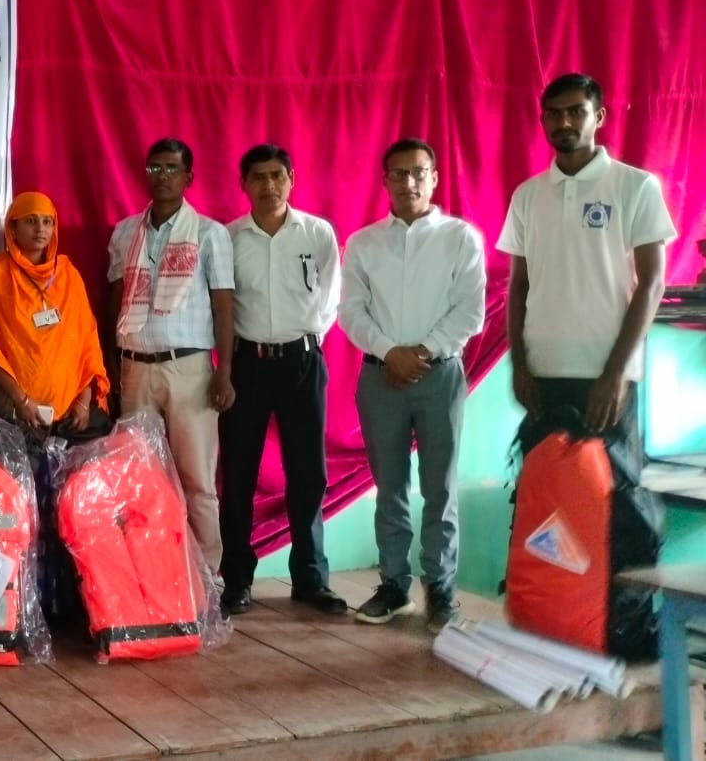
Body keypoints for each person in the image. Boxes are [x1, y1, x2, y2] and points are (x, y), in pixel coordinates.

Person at [340, 138, 486, 633]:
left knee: (439, 485)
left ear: (435, 177)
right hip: (380, 375)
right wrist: (390, 352)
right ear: (385, 181)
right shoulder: (364, 243)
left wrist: (420, 353)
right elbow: (350, 312)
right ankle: (394, 585)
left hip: (439, 374)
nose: (409, 182)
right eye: (398, 174)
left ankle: (440, 588)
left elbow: (469, 311)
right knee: (390, 485)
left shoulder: (460, 238)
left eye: (418, 172)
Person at [499, 73, 677, 444]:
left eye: (576, 111)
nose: (564, 121)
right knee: (545, 479)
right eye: (553, 113)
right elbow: (519, 286)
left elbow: (652, 283)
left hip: (606, 372)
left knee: (609, 480)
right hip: (542, 371)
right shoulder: (527, 195)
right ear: (543, 120)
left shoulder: (636, 186)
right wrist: (519, 366)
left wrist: (615, 373)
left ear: (599, 117)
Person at [220, 143, 344, 615]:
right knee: (238, 473)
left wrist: (304, 342)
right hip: (246, 365)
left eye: (277, 175)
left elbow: (330, 298)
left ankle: (311, 578)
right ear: (243, 184)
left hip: (302, 364)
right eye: (258, 176)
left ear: (292, 179)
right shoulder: (229, 238)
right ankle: (236, 579)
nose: (268, 185)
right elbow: (221, 305)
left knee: (308, 472)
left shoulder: (317, 233)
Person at [106, 139, 235, 570]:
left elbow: (223, 305)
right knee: (140, 476)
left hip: (190, 369)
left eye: (171, 168)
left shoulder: (210, 234)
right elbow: (114, 299)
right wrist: (110, 364)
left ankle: (208, 576)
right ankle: (153, 574)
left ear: (188, 177)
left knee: (197, 478)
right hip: (135, 367)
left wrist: (224, 371)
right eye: (155, 168)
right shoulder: (126, 232)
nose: (162, 176)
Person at [0, 192, 109, 430]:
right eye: (31, 221)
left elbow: (87, 342)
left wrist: (83, 401)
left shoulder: (69, 276)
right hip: (14, 409)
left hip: (71, 411)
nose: (40, 229)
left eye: (47, 221)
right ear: (12, 228)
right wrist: (22, 401)